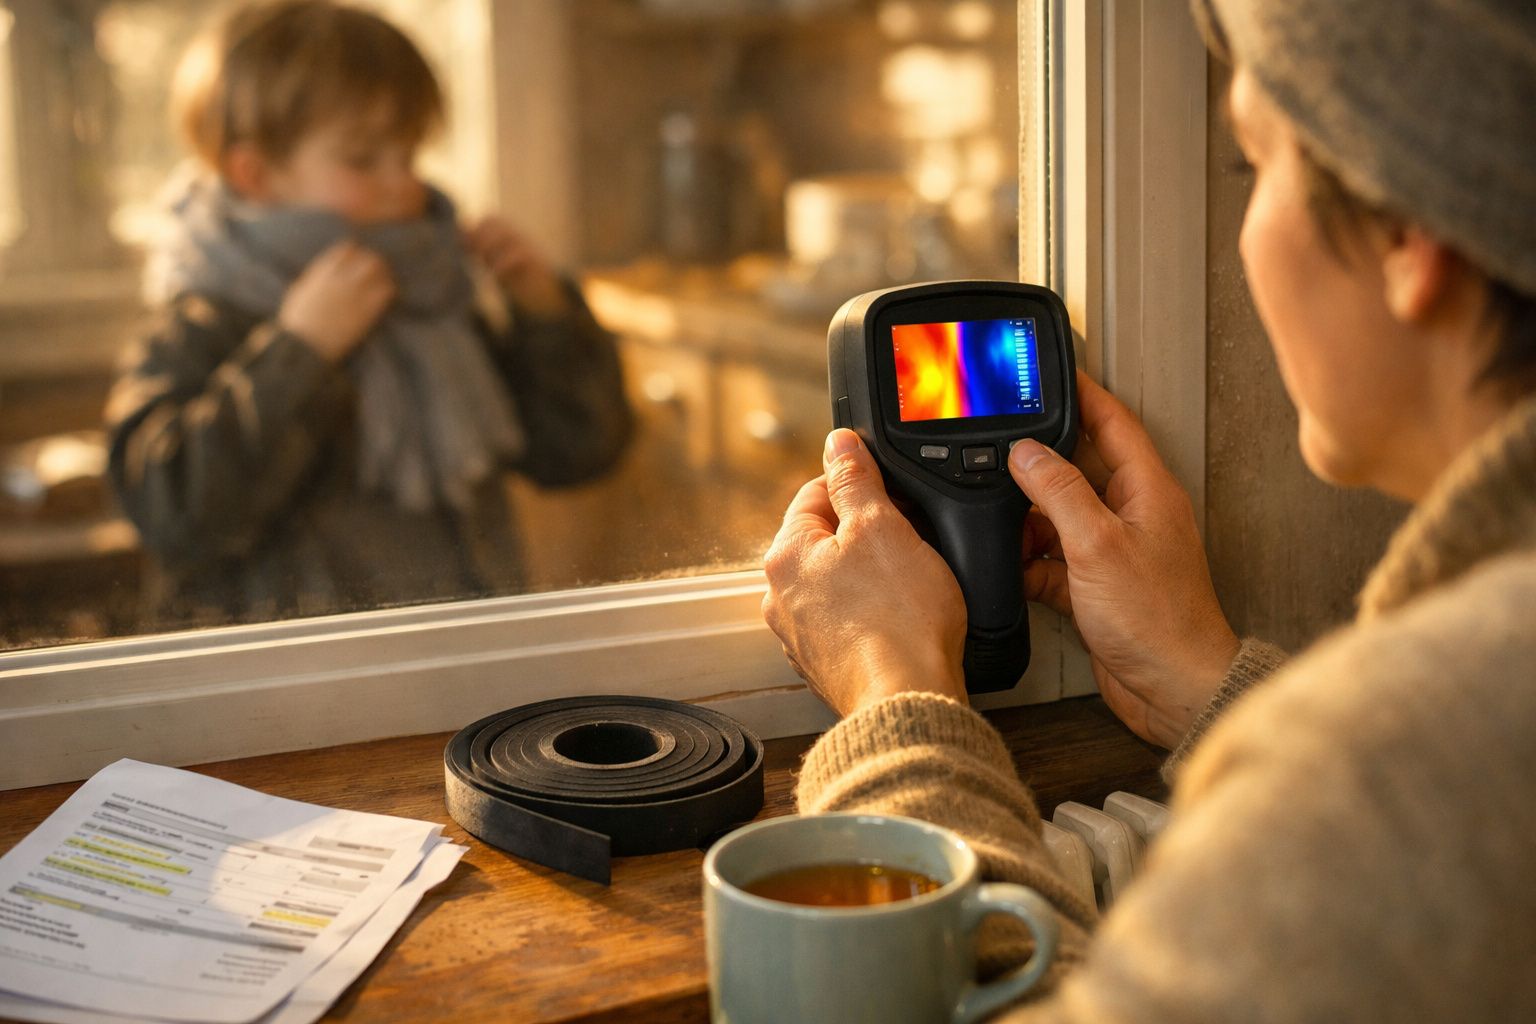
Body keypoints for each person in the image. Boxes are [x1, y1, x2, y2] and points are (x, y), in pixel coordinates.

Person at [762, 0, 1536, 1019]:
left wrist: (893, 696)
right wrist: (1206, 685)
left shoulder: (1411, 743)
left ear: (1408, 240)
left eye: (1256, 167)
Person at [105, 0, 631, 628]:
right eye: (362, 159)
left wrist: (543, 313)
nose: (403, 184)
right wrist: (298, 351)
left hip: (465, 668)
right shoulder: (203, 318)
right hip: (294, 702)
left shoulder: (433, 297)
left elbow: (578, 452)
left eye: (409, 155)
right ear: (253, 174)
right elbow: (174, 515)